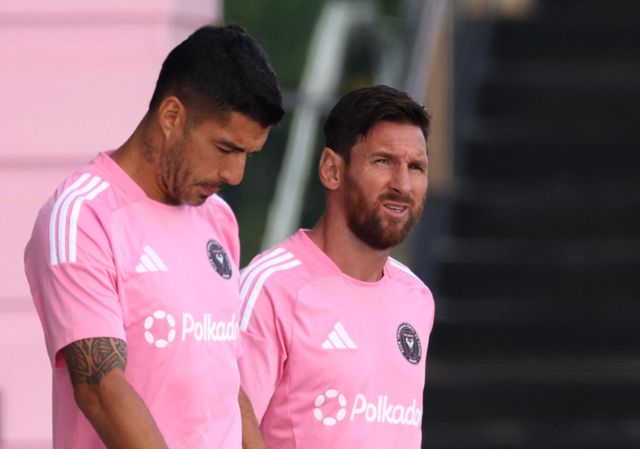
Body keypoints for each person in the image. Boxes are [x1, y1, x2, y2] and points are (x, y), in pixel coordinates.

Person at [24, 24, 283, 449]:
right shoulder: (82, 215)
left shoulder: (219, 218)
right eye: (225, 149)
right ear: (172, 117)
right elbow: (100, 389)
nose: (235, 174)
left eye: (248, 155)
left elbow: (226, 379)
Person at [238, 85, 435, 448]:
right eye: (383, 161)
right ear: (331, 170)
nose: (403, 184)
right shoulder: (271, 287)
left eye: (416, 167)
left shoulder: (416, 297)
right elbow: (221, 428)